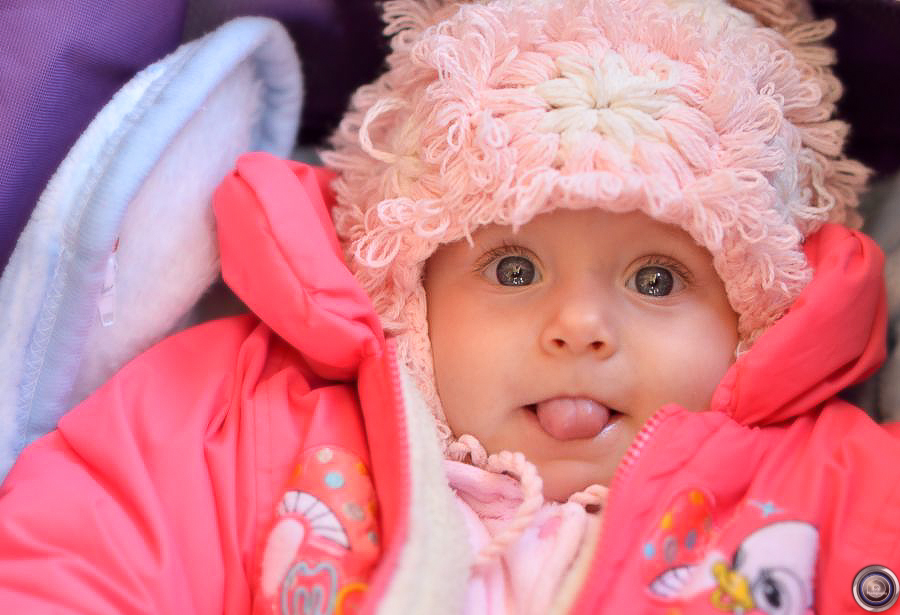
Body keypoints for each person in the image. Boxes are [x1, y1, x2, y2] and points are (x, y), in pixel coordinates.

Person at [0, 0, 898, 614]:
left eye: (656, 280)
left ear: (754, 316)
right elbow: (84, 551)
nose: (579, 326)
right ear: (407, 284)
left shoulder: (836, 481)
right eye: (513, 268)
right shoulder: (249, 416)